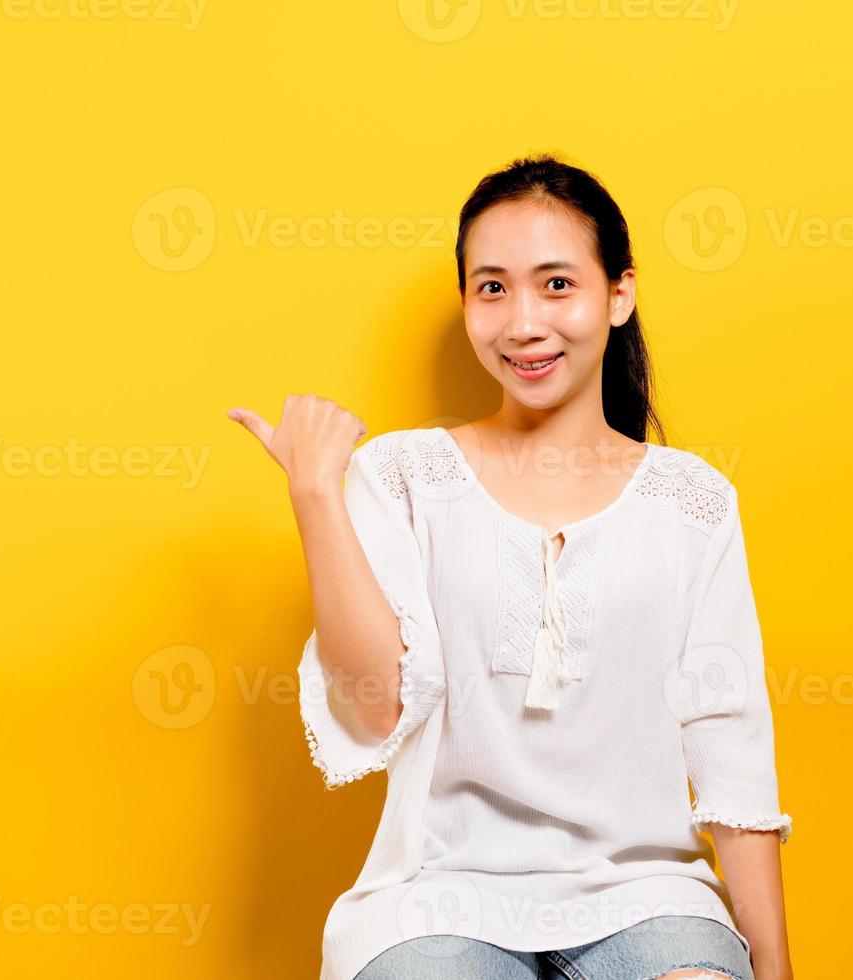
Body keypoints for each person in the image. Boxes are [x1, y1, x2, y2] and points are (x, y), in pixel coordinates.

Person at [228, 154, 794, 980]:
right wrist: (317, 493)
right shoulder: (405, 478)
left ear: (619, 295)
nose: (523, 322)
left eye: (557, 284)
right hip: (436, 896)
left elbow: (730, 752)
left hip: (647, 896)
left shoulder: (692, 503)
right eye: (492, 288)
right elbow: (378, 705)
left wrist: (775, 973)